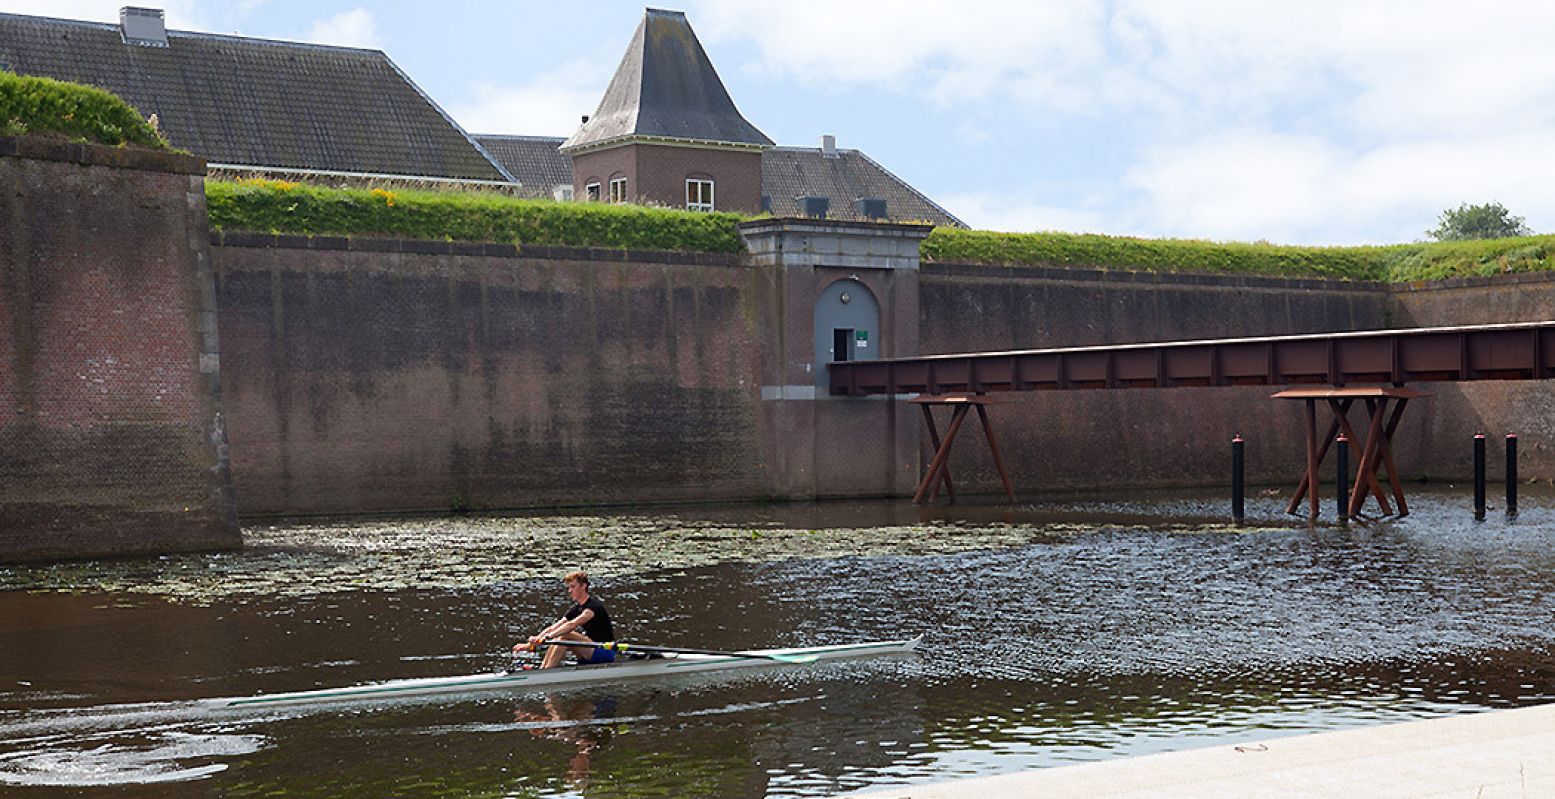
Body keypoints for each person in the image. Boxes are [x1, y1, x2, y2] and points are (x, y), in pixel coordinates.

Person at [516, 570, 616, 669]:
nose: (570, 591)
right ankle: (543, 669)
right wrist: (531, 643)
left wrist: (548, 637)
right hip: (590, 650)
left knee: (565, 634)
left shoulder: (593, 608)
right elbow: (554, 627)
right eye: (569, 587)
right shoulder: (575, 609)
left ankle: (546, 671)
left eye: (573, 587)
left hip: (604, 651)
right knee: (559, 637)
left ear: (583, 586)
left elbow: (571, 625)